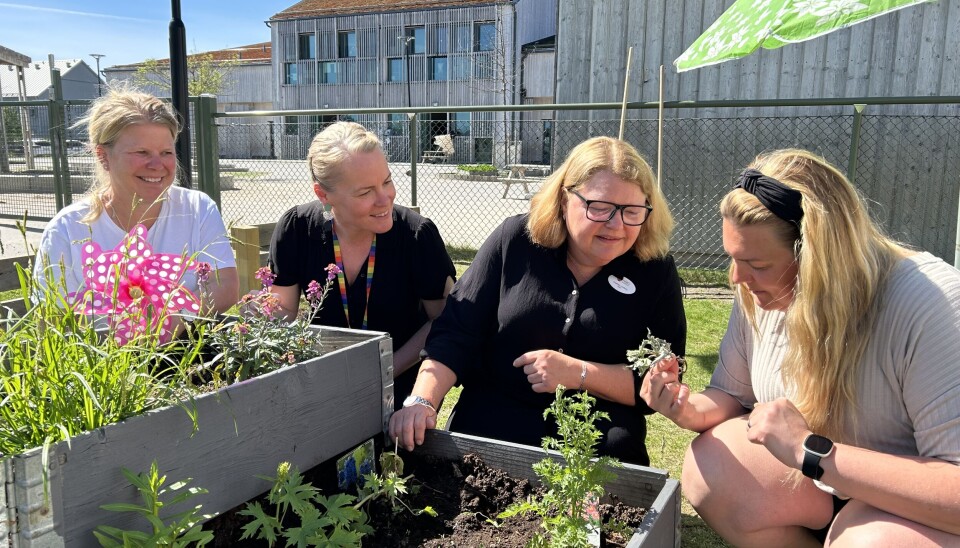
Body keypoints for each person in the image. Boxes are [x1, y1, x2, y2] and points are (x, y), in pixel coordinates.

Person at [641, 149, 960, 545]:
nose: (737, 278)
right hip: (826, 488)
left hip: (910, 512)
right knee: (711, 465)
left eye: (757, 265)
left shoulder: (934, 304)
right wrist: (685, 408)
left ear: (820, 259)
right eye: (734, 259)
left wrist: (812, 451)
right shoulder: (758, 292)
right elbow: (730, 394)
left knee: (870, 541)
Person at [389, 136, 686, 464]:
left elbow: (658, 382)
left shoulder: (654, 271)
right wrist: (422, 400)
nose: (616, 225)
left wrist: (578, 373)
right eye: (599, 207)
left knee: (615, 460)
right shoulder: (515, 240)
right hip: (495, 415)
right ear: (564, 200)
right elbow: (456, 330)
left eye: (632, 211)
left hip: (598, 429)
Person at [268, 121, 456, 407]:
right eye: (365, 192)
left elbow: (443, 321)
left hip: (402, 391)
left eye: (387, 181)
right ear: (323, 195)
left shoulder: (417, 236)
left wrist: (385, 368)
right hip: (327, 386)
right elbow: (281, 313)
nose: (385, 199)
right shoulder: (296, 228)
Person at [34, 88, 238, 314]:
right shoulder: (69, 228)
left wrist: (165, 328)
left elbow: (224, 284)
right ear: (103, 156)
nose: (156, 164)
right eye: (142, 152)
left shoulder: (197, 208)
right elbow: (51, 319)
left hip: (184, 346)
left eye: (166, 152)